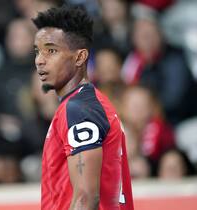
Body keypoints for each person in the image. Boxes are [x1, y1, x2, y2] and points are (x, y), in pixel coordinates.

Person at [32, 6, 133, 210]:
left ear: (80, 57)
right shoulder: (83, 104)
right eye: (37, 51)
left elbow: (86, 198)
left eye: (51, 51)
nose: (40, 60)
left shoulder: (80, 110)